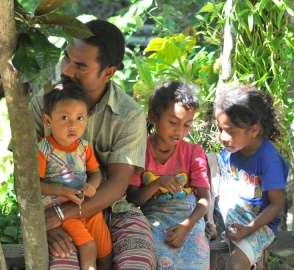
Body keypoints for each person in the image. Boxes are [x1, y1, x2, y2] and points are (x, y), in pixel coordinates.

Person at [31, 19, 156, 269]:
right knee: (63, 264)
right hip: (56, 207)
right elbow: (26, 177)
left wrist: (59, 216)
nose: (66, 70)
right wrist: (42, 223)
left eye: (80, 66)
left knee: (138, 264)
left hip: (116, 212)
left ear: (108, 72)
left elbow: (118, 183)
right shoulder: (42, 105)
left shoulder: (129, 114)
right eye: (66, 58)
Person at [126, 81, 211, 269]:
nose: (180, 131)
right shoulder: (139, 152)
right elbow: (133, 200)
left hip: (189, 218)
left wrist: (187, 225)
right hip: (154, 218)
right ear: (153, 117)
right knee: (156, 259)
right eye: (173, 122)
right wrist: (157, 184)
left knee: (196, 259)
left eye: (187, 125)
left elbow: (205, 199)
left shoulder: (193, 152)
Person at [39, 82, 112, 269]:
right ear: (48, 121)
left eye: (80, 118)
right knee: (89, 247)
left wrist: (92, 185)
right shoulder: (43, 149)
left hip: (87, 205)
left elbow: (95, 173)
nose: (73, 125)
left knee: (105, 250)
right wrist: (63, 191)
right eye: (64, 117)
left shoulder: (83, 146)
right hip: (61, 210)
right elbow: (36, 185)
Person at [214, 85, 288, 269]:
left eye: (230, 131)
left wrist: (248, 229)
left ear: (254, 130)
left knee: (237, 265)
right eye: (219, 128)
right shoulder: (231, 150)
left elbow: (277, 204)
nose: (222, 137)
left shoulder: (268, 159)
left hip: (258, 224)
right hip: (228, 218)